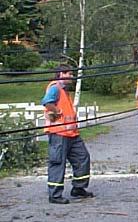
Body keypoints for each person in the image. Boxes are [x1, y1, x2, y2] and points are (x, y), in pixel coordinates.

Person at [41, 64, 93, 205]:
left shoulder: (64, 91)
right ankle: (55, 195)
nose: (71, 76)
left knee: (83, 158)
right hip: (59, 133)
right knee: (58, 163)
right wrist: (56, 112)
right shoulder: (55, 88)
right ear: (60, 74)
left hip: (72, 134)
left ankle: (79, 188)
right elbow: (46, 102)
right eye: (69, 73)